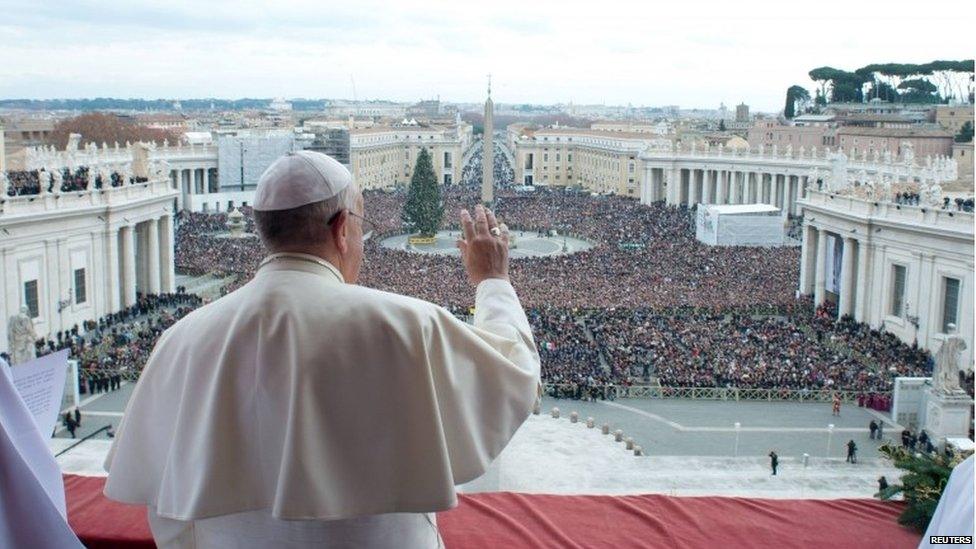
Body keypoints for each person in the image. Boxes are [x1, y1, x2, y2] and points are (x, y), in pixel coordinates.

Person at [104, 151, 541, 549]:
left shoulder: (182, 340)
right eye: (360, 225)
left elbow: (168, 510)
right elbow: (515, 374)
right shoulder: (408, 324)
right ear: (340, 230)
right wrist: (493, 282)